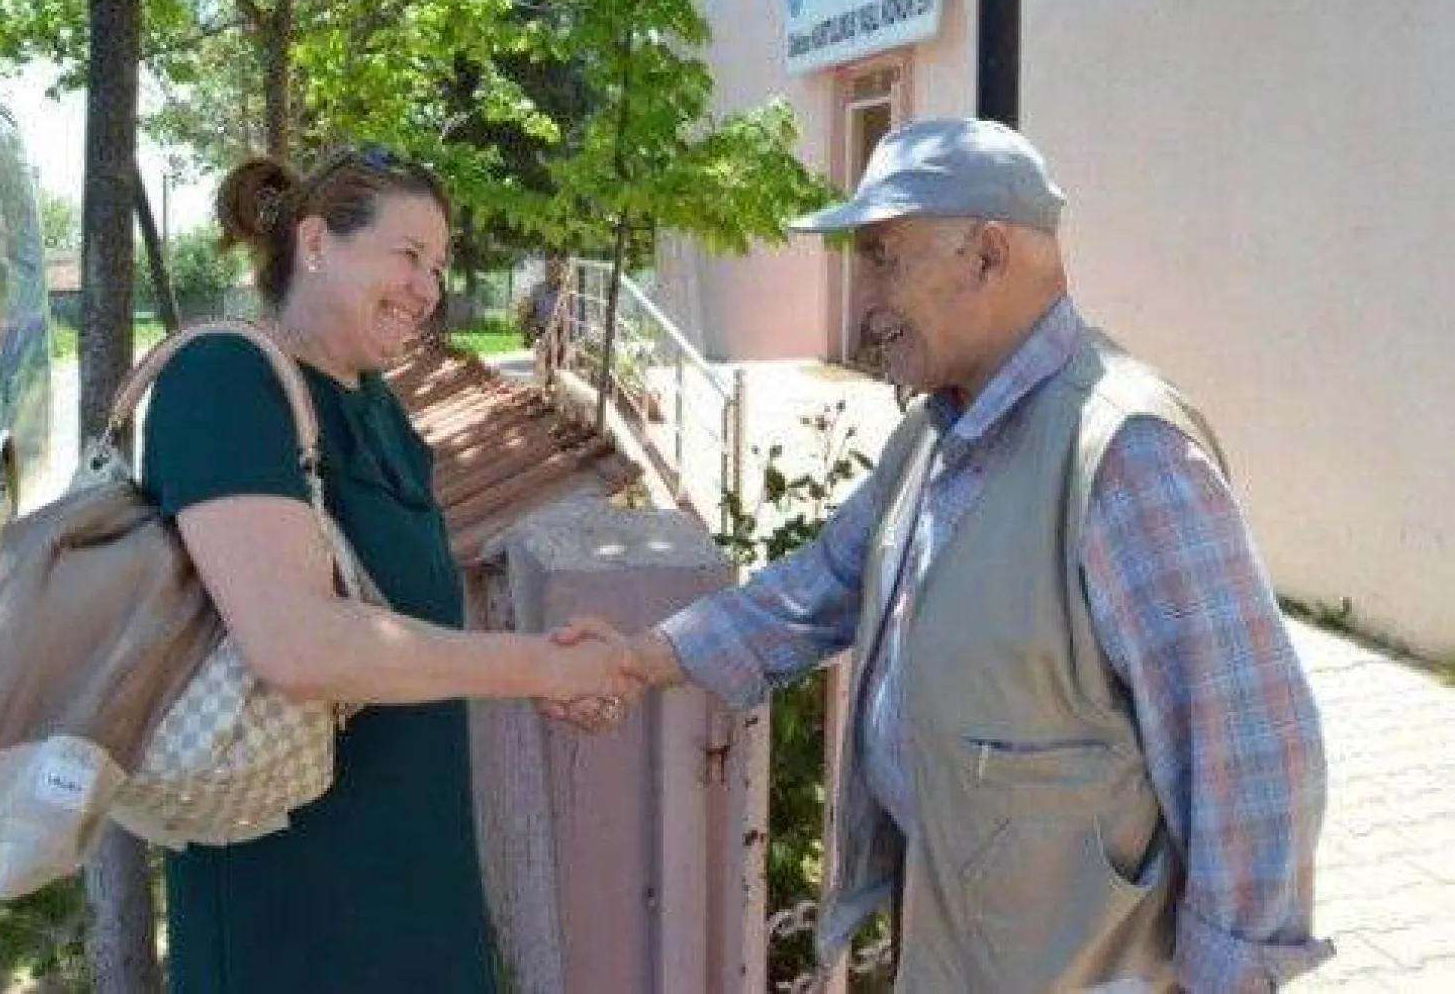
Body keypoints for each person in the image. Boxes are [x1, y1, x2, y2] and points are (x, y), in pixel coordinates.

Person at [553, 119, 1333, 992]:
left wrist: (1220, 981)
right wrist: (638, 656)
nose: (863, 305)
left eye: (884, 257)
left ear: (989, 254)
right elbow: (821, 584)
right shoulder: (934, 433)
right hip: (957, 947)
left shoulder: (1124, 451)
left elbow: (1254, 751)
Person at [142, 144, 637, 993]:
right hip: (292, 908)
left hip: (413, 880)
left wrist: (541, 668)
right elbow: (297, 645)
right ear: (316, 242)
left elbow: (405, 628)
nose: (429, 287)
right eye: (407, 255)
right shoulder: (222, 380)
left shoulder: (377, 407)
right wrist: (537, 665)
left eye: (438, 266)